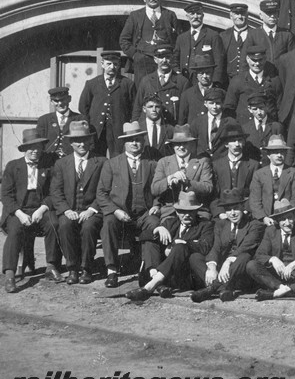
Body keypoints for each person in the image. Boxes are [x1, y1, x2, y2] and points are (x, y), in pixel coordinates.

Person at [97, 121, 160, 288]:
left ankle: (150, 269)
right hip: (121, 213)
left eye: (138, 139)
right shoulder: (112, 163)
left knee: (154, 223)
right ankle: (111, 270)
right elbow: (101, 193)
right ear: (124, 143)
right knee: (108, 223)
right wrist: (115, 211)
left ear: (144, 142)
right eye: (130, 140)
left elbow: (160, 190)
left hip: (144, 213)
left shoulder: (152, 164)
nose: (134, 143)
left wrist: (157, 205)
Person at [125, 190, 214, 301]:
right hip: (168, 275)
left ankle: (151, 286)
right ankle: (155, 277)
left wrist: (182, 244)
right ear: (176, 211)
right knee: (150, 241)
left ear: (196, 211)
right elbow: (143, 235)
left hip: (185, 275)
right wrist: (158, 229)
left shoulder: (205, 225)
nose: (186, 215)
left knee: (180, 247)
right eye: (182, 211)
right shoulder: (170, 223)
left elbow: (205, 246)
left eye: (190, 211)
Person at [2, 129, 60, 292]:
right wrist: (19, 214)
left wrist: (42, 209)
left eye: (38, 147)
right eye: (31, 147)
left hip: (40, 208)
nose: (35, 151)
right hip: (18, 211)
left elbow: (53, 192)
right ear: (24, 149)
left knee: (54, 223)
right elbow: (6, 195)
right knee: (14, 230)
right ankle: (10, 275)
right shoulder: (13, 166)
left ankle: (51, 266)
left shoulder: (48, 166)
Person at [49, 121, 107, 285]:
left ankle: (87, 268)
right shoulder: (61, 164)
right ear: (70, 143)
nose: (81, 144)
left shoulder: (101, 161)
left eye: (85, 140)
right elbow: (56, 191)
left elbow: (105, 190)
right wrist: (66, 210)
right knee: (65, 225)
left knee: (89, 227)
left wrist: (92, 209)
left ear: (90, 141)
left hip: (91, 210)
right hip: (70, 210)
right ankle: (73, 269)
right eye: (77, 141)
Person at [191, 189, 265, 303]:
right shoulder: (220, 224)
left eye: (236, 208)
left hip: (240, 272)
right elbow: (216, 247)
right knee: (195, 257)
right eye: (228, 210)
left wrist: (228, 262)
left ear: (242, 207)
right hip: (222, 272)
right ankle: (223, 289)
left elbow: (245, 247)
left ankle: (212, 288)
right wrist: (212, 267)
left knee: (244, 256)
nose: (233, 213)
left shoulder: (254, 225)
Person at [247, 199, 295, 300]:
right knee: (251, 265)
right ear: (277, 221)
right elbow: (259, 255)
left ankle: (276, 294)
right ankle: (288, 290)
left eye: (290, 218)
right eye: (283, 219)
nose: (287, 223)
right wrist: (273, 259)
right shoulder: (271, 231)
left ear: (294, 217)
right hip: (277, 277)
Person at [119, 0, 179, 85]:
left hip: (165, 61)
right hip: (143, 63)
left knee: (165, 89)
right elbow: (124, 40)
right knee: (143, 91)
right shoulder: (135, 16)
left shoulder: (170, 15)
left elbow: (178, 40)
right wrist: (135, 55)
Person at [79, 50, 136, 157]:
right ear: (102, 64)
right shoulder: (92, 84)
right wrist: (89, 125)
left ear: (119, 65)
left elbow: (134, 108)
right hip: (97, 130)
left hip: (118, 130)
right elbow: (83, 107)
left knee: (118, 158)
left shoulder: (127, 84)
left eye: (115, 64)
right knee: (96, 158)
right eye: (108, 64)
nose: (112, 67)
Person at [151, 124, 214, 219]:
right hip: (171, 212)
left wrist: (188, 182)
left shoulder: (202, 162)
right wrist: (169, 179)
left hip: (196, 211)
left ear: (192, 144)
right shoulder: (163, 162)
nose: (181, 147)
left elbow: (208, 187)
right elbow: (154, 189)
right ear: (172, 145)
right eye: (177, 144)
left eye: (185, 143)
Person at [249, 135, 295, 223]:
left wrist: (285, 217)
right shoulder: (259, 174)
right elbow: (254, 200)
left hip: (287, 219)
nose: (279, 155)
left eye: (282, 152)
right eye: (275, 152)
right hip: (264, 219)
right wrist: (263, 218)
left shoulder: (294, 173)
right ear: (269, 155)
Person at [209, 123, 259, 218]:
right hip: (223, 212)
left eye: (239, 140)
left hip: (244, 212)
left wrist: (245, 210)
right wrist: (220, 213)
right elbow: (214, 194)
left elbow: (255, 192)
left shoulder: (253, 165)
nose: (237, 144)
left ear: (243, 142)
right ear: (226, 144)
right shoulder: (216, 165)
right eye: (233, 141)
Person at [224, 44, 282, 124]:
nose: (257, 64)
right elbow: (229, 108)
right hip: (244, 128)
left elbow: (280, 107)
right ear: (247, 59)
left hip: (268, 127)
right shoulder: (237, 81)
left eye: (260, 60)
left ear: (265, 59)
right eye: (254, 60)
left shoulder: (274, 81)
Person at [132, 43, 188, 125]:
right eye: (160, 57)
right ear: (155, 59)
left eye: (168, 57)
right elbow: (137, 107)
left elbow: (185, 111)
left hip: (172, 129)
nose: (164, 60)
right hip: (151, 129)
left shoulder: (182, 82)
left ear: (172, 58)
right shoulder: (146, 81)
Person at [174, 2, 225, 86]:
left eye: (198, 13)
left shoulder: (212, 35)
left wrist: (215, 82)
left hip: (206, 82)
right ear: (187, 16)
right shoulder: (181, 38)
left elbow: (219, 61)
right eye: (192, 14)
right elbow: (175, 60)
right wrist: (178, 74)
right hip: (185, 81)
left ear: (203, 16)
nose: (195, 17)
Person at [219, 3, 265, 81]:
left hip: (249, 81)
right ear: (231, 16)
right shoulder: (223, 35)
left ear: (247, 15)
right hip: (227, 82)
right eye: (236, 14)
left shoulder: (256, 34)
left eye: (242, 14)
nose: (239, 17)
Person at [190, 87, 237, 159]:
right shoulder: (197, 122)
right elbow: (193, 145)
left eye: (218, 103)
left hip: (223, 162)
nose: (214, 107)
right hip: (202, 161)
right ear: (205, 104)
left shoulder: (231, 122)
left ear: (223, 103)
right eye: (211, 103)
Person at [36, 86, 83, 158]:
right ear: (51, 102)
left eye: (63, 99)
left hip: (71, 162)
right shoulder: (44, 120)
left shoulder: (80, 119)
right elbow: (38, 144)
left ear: (69, 99)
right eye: (56, 101)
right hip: (49, 162)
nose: (60, 103)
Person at [177, 53, 219, 125]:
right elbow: (181, 123)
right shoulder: (187, 95)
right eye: (201, 73)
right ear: (196, 75)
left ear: (213, 73)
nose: (204, 76)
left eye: (208, 73)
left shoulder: (220, 92)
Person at [241, 92, 283, 163]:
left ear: (266, 106)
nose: (259, 112)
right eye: (255, 109)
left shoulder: (276, 126)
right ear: (249, 109)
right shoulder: (245, 129)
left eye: (261, 108)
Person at [258, 0, 295, 65]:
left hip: (281, 74)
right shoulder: (253, 34)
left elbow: (293, 59)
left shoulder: (286, 35)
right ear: (261, 15)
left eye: (275, 13)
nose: (272, 16)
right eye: (269, 13)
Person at [138, 94, 173, 161]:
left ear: (161, 108)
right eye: (150, 107)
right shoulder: (138, 129)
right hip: (144, 167)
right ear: (144, 109)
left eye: (157, 107)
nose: (154, 110)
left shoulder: (170, 129)